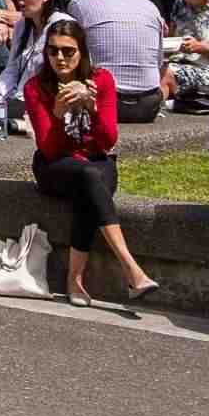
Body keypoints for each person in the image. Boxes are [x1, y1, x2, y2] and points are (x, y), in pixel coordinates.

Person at [23, 16, 160, 306]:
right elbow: (49, 148)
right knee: (88, 177)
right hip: (54, 164)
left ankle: (75, 281)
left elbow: (108, 140)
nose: (59, 58)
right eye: (52, 50)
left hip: (96, 160)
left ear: (82, 52)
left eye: (68, 51)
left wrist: (93, 107)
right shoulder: (36, 87)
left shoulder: (102, 80)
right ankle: (130, 267)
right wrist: (59, 114)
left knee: (90, 186)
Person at [65, 0, 169, 122]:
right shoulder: (151, 7)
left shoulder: (79, 4)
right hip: (148, 104)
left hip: (103, 101)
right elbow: (159, 62)